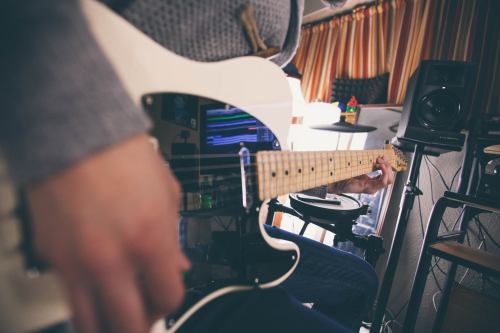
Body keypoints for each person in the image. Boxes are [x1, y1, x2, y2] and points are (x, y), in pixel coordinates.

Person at [0, 1, 391, 332]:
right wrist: (88, 141)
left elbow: (238, 164)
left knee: (359, 282)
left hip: (207, 238)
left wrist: (329, 181)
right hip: (68, 175)